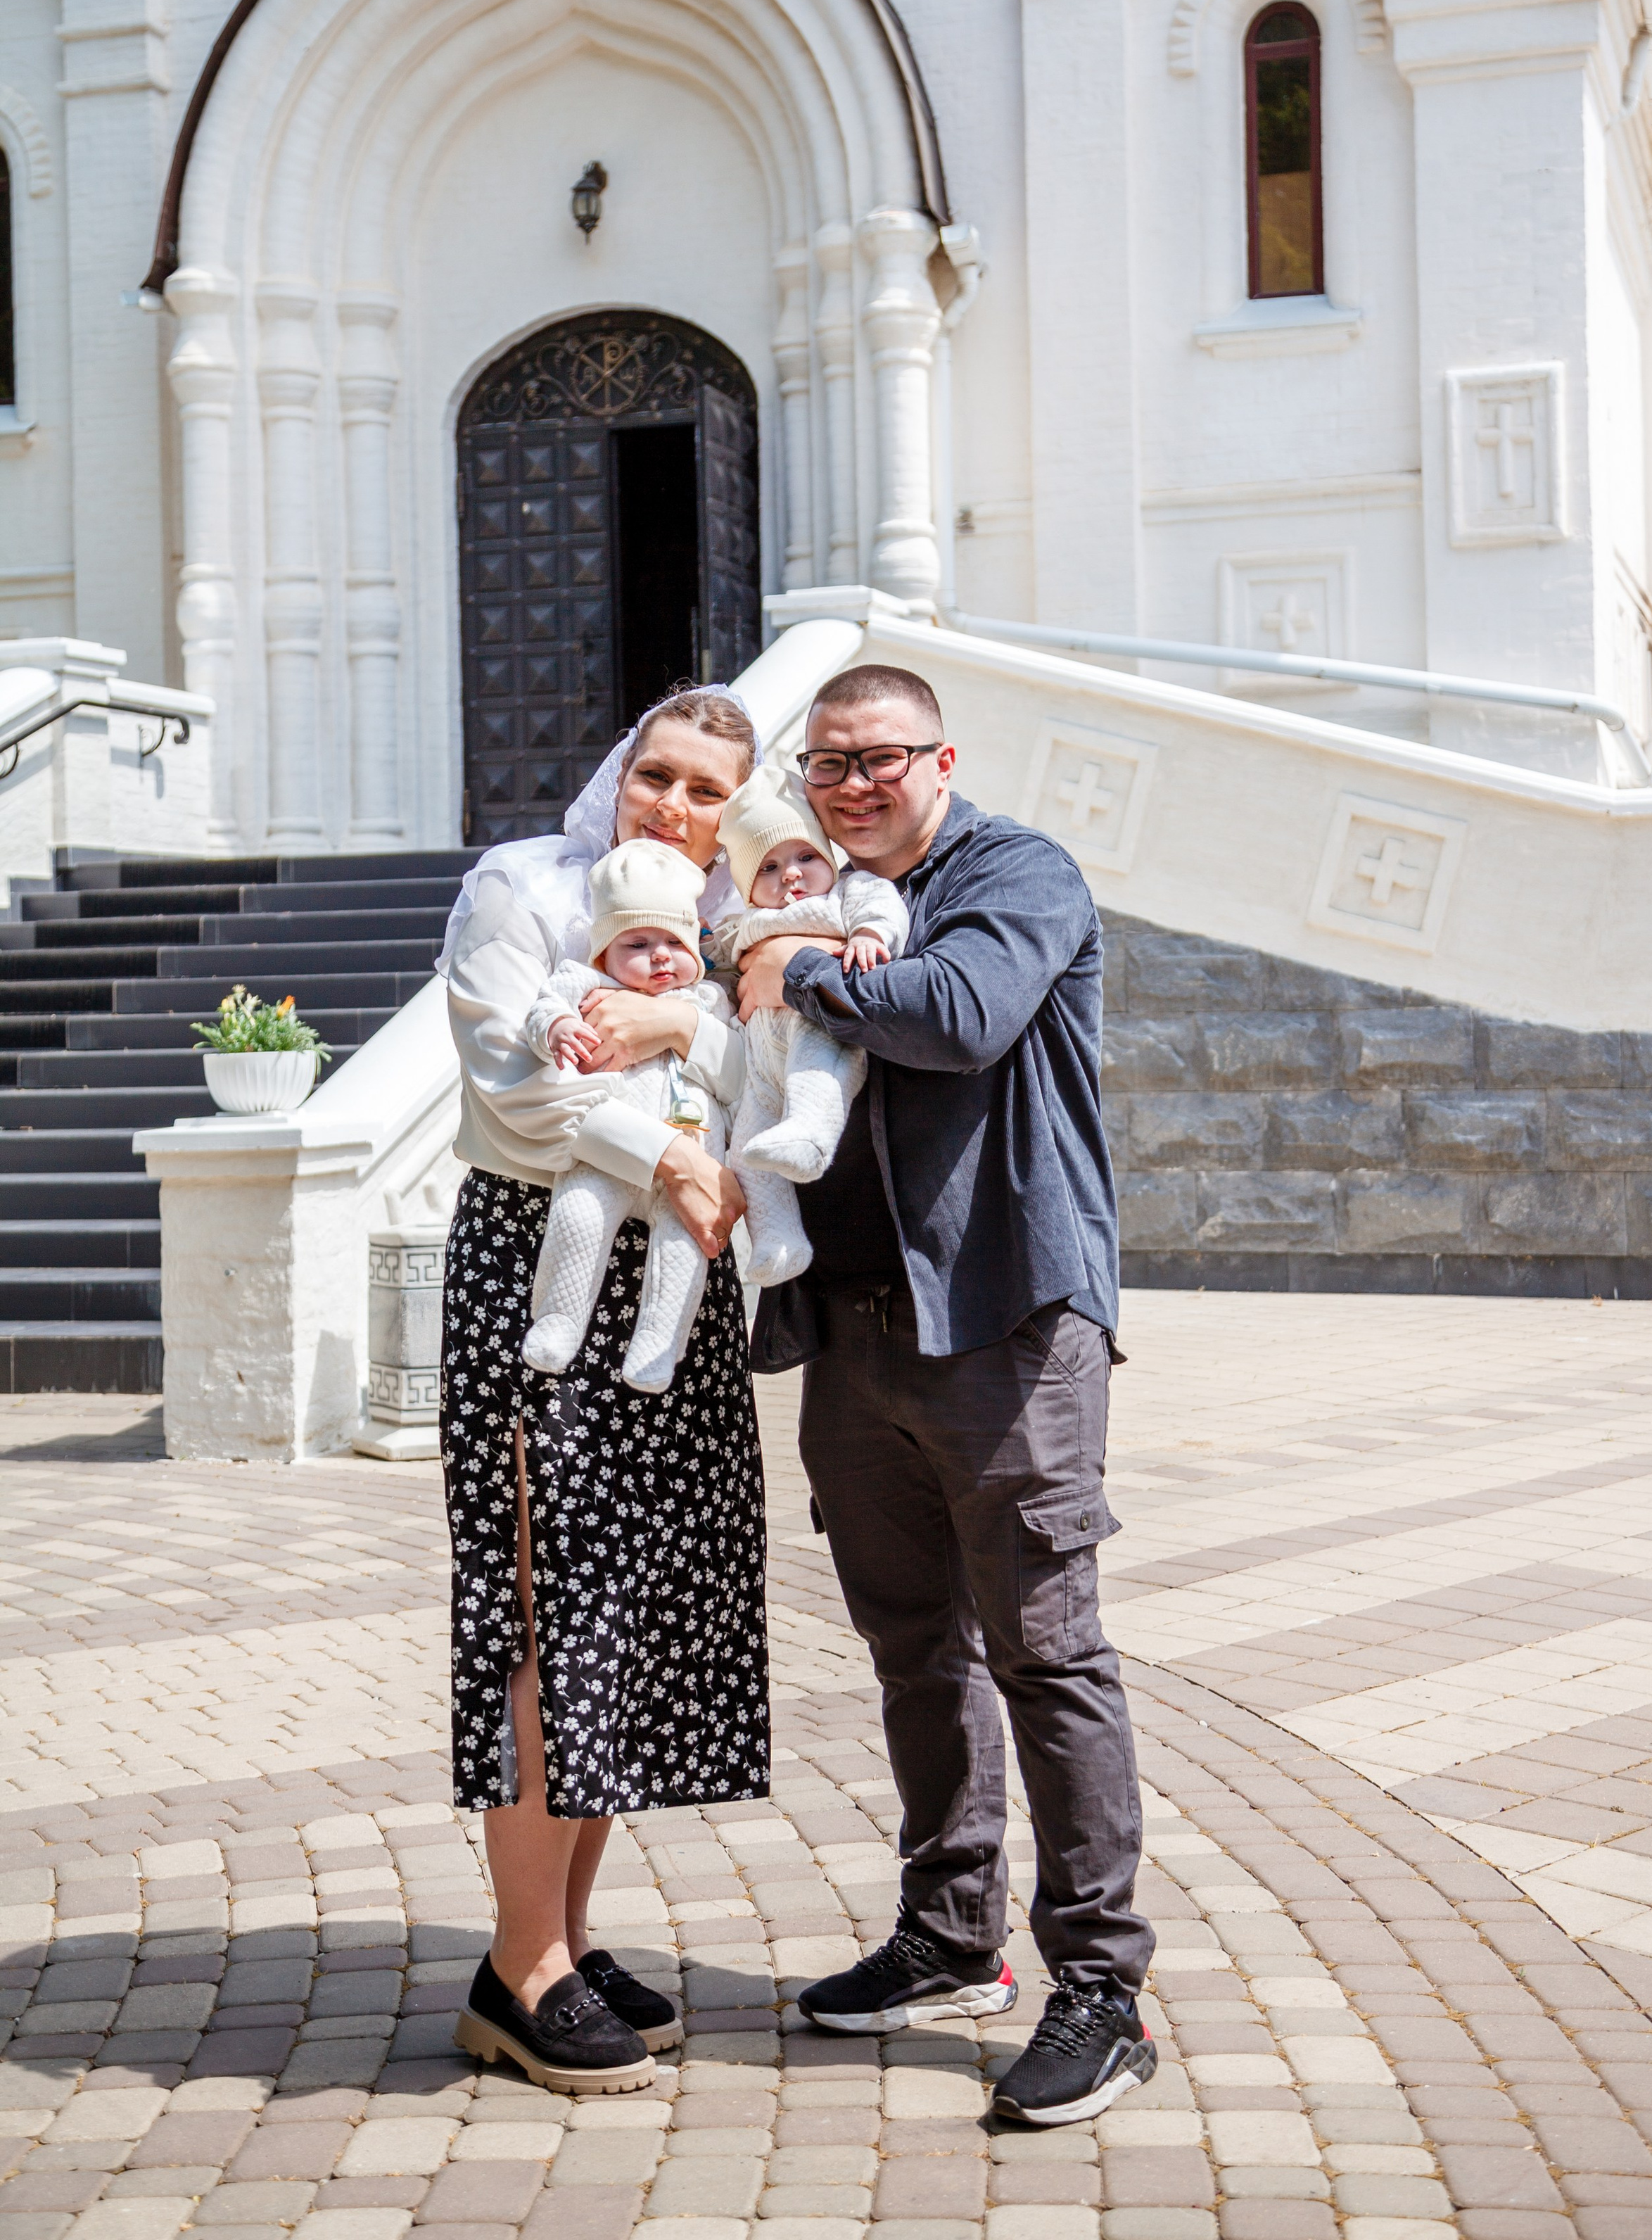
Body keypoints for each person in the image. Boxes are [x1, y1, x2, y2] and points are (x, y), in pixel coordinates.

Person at [736, 662, 1157, 2128]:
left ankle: (1098, 1991)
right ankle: (948, 1934)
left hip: (1002, 1323)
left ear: (940, 759)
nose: (853, 786)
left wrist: (787, 970)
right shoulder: (814, 890)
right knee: (913, 1648)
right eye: (827, 765)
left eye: (881, 759)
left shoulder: (1015, 873)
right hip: (856, 1334)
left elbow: (962, 1013)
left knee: (1046, 1648)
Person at [437, 686, 761, 2095]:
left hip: (672, 1296)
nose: (676, 809)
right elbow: (516, 1091)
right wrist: (677, 1157)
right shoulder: (519, 887)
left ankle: (557, 1937)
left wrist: (682, 1040)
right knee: (544, 1597)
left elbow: (763, 1077)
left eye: (708, 794)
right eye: (659, 776)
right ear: (619, 772)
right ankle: (521, 1968)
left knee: (618, 1608)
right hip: (537, 1278)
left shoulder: (731, 926)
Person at [519, 841, 738, 1390]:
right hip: (608, 1157)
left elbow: (742, 1074)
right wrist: (556, 1028)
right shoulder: (587, 984)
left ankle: (658, 1350)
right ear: (603, 955)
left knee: (685, 1250)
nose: (661, 955)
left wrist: (681, 1026)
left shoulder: (709, 1001)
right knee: (578, 1218)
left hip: (695, 1162)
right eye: (637, 943)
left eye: (674, 941)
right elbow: (543, 1007)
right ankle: (557, 1324)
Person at [710, 763, 908, 1285]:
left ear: (829, 856)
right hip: (759, 1064)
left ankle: (812, 1135)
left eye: (804, 857)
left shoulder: (845, 894)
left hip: (817, 1027)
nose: (790, 876)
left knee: (816, 1070)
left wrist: (868, 934)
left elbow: (881, 904)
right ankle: (778, 1241)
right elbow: (715, 961)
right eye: (768, 869)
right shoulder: (742, 924)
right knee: (747, 1150)